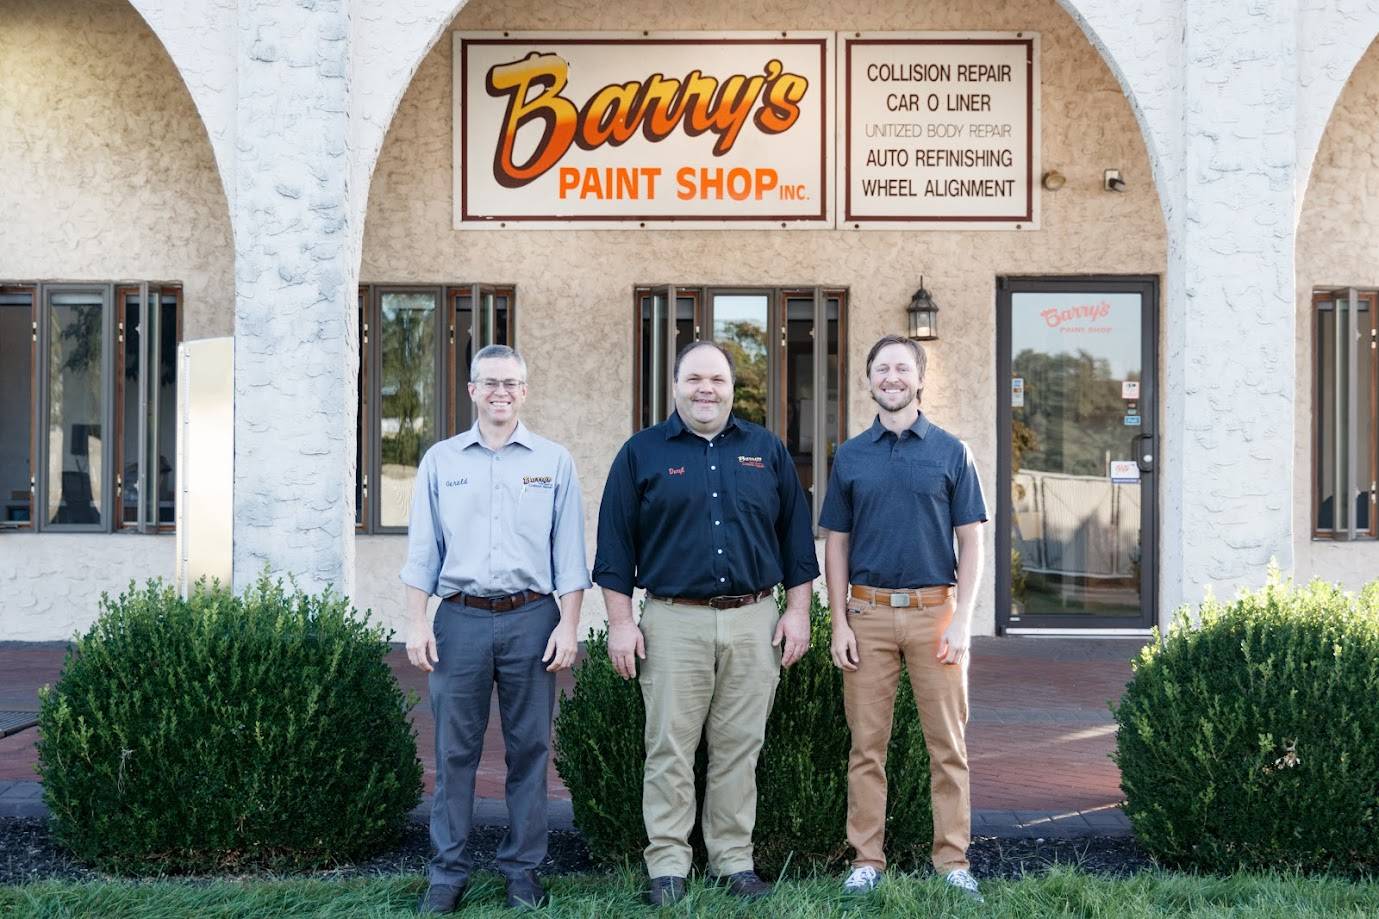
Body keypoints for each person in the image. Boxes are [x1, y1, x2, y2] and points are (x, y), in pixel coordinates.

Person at [593, 340, 819, 906]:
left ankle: (733, 861)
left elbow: (796, 542)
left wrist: (797, 612)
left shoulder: (766, 451)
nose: (705, 390)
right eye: (694, 379)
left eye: (716, 379)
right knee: (668, 745)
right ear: (674, 386)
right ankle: (668, 865)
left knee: (740, 747)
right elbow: (615, 549)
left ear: (731, 388)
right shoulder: (640, 453)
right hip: (673, 622)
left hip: (754, 620)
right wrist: (621, 624)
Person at [401, 344, 590, 913]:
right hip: (458, 618)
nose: (501, 392)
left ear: (525, 391)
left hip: (534, 619)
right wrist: (416, 622)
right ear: (472, 391)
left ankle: (523, 871)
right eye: (490, 383)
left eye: (511, 383)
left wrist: (570, 627)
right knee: (453, 751)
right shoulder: (441, 460)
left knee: (529, 750)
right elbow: (421, 551)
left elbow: (571, 556)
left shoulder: (554, 462)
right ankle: (446, 872)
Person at [820, 334, 988, 902]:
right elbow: (836, 545)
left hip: (934, 615)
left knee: (949, 746)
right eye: (880, 369)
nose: (890, 377)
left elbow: (972, 544)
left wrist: (963, 620)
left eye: (901, 369)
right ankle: (867, 859)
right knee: (867, 748)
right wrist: (838, 621)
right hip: (866, 615)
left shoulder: (950, 451)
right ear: (868, 380)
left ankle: (953, 861)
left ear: (918, 380)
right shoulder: (850, 455)